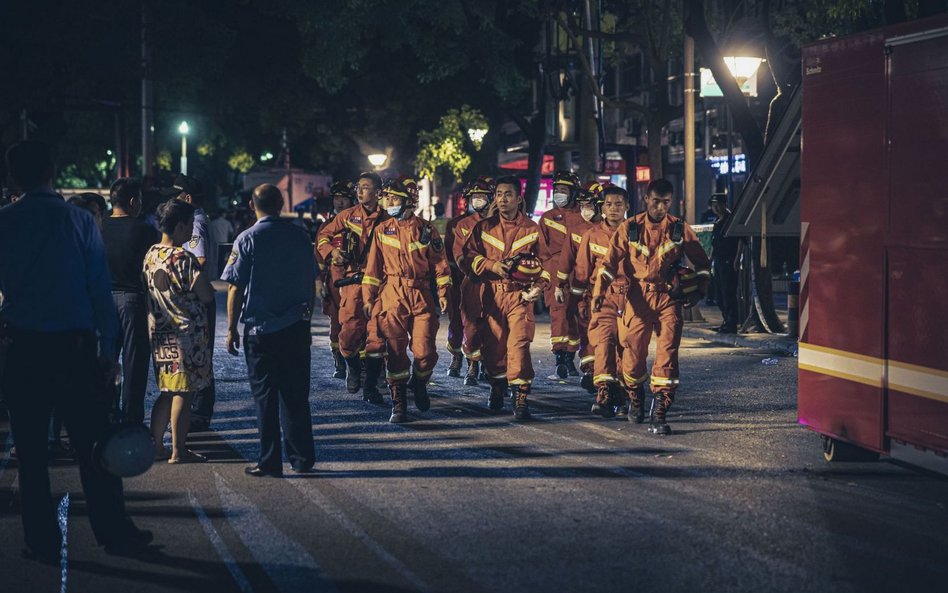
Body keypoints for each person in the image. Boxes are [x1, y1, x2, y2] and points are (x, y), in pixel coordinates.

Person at [0, 141, 151, 562]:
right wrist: (108, 350)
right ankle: (114, 532)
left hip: (24, 347)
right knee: (95, 447)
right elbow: (98, 289)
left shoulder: (5, 222)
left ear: (13, 176)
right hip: (75, 348)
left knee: (31, 455)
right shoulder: (79, 221)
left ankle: (41, 539)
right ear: (52, 169)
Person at [593, 178, 711, 435]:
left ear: (671, 201)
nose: (660, 207)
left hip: (669, 298)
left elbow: (702, 263)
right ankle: (635, 396)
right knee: (632, 353)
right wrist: (598, 293)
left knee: (667, 352)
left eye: (666, 202)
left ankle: (660, 409)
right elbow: (609, 264)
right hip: (637, 298)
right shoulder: (630, 228)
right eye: (656, 201)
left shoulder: (679, 229)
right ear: (646, 199)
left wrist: (699, 290)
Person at [222, 184, 317, 477]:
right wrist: (307, 319)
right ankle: (302, 459)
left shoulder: (246, 239)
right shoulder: (301, 237)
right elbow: (312, 280)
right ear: (281, 204)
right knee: (296, 396)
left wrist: (231, 328)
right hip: (294, 327)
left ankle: (270, 461)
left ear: (253, 206)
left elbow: (235, 288)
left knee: (265, 398)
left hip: (260, 331)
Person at [361, 178, 451, 423]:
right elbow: (372, 270)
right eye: (387, 197)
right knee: (396, 351)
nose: (388, 202)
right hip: (392, 294)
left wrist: (443, 294)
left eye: (394, 198)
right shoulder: (382, 230)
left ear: (408, 201)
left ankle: (419, 382)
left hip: (421, 294)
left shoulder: (427, 229)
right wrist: (368, 299)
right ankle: (398, 402)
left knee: (425, 352)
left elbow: (440, 265)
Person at [463, 176, 549, 420]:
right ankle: (497, 386)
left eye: (508, 194)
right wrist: (491, 265)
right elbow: (468, 257)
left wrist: (539, 286)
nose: (502, 199)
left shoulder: (532, 229)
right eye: (499, 194)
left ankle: (520, 397)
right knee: (494, 348)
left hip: (520, 296)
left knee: (519, 344)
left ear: (518, 198)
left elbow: (545, 264)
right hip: (492, 295)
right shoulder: (483, 228)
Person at [143, 199, 214, 463]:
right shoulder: (184, 258)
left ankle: (158, 445)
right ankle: (179, 450)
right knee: (184, 391)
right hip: (186, 335)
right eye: (189, 229)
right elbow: (206, 294)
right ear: (181, 225)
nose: (190, 234)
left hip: (160, 334)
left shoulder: (151, 254)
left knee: (166, 390)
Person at [315, 172, 389, 395]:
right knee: (347, 334)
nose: (359, 191)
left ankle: (372, 383)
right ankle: (353, 368)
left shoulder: (388, 220)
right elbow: (322, 237)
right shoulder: (346, 216)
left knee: (377, 335)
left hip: (379, 284)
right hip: (352, 283)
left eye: (365, 187)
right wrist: (333, 252)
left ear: (378, 193)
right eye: (358, 186)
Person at [101, 178, 160, 424]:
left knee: (106, 361)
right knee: (134, 365)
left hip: (102, 301)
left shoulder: (98, 226)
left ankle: (106, 414)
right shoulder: (144, 230)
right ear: (134, 201)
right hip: (133, 301)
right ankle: (131, 421)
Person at [572, 185, 629, 417]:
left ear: (627, 206)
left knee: (629, 347)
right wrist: (580, 302)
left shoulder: (638, 233)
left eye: (618, 204)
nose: (613, 209)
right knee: (603, 343)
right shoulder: (592, 235)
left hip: (631, 298)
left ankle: (625, 394)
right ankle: (603, 393)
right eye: (608, 204)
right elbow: (582, 272)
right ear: (602, 207)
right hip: (602, 297)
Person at [171, 174, 217, 431]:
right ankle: (199, 410)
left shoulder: (195, 224)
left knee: (200, 355)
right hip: (198, 296)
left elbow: (198, 261)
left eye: (175, 197)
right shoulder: (197, 220)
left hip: (197, 297)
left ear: (187, 198)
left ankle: (199, 412)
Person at [444, 176, 494, 384]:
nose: (478, 200)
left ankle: (481, 364)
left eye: (482, 196)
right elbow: (451, 255)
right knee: (460, 323)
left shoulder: (497, 223)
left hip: (491, 281)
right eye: (475, 197)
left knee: (488, 325)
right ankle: (459, 357)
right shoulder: (458, 225)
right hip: (463, 280)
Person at [554, 181, 601, 392]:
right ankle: (591, 370)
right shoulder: (576, 230)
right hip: (584, 291)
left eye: (589, 205)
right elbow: (566, 260)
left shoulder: (617, 229)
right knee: (585, 331)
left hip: (611, 292)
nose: (585, 210)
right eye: (582, 206)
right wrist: (559, 284)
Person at [539, 170, 584, 379]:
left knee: (575, 316)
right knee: (558, 316)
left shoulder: (583, 216)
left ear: (573, 193)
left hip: (578, 272)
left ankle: (571, 358)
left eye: (563, 190)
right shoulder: (547, 219)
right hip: (554, 271)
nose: (559, 194)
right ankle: (560, 358)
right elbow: (541, 249)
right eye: (556, 190)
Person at [314, 181, 357, 379]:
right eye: (336, 198)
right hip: (334, 280)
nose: (340, 202)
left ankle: (358, 364)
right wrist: (319, 283)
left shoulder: (360, 223)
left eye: (344, 198)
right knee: (336, 323)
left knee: (357, 322)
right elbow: (319, 258)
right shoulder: (327, 226)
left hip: (357, 279)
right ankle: (339, 361)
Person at [709, 193, 740, 333]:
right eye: (713, 205)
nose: (715, 208)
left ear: (724, 204)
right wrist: (710, 259)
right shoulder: (717, 221)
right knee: (719, 293)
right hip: (719, 261)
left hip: (729, 260)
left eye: (718, 205)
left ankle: (731, 323)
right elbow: (715, 244)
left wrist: (736, 260)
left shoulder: (730, 220)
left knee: (729, 293)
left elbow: (741, 241)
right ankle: (726, 321)